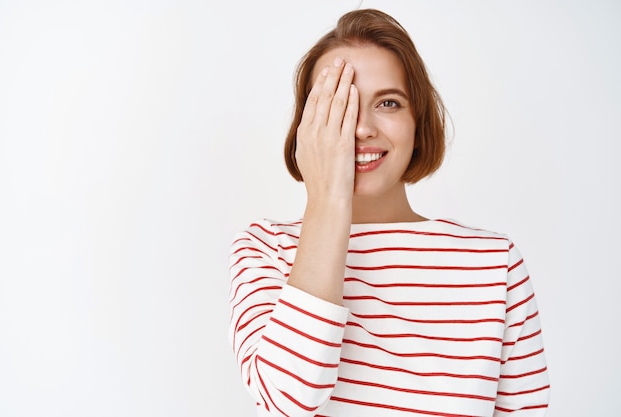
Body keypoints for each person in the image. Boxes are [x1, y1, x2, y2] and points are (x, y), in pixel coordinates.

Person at [228, 8, 550, 417]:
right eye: (337, 105)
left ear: (418, 124)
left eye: (388, 102)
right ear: (306, 127)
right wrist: (328, 200)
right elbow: (288, 403)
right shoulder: (266, 248)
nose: (361, 128)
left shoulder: (495, 263)